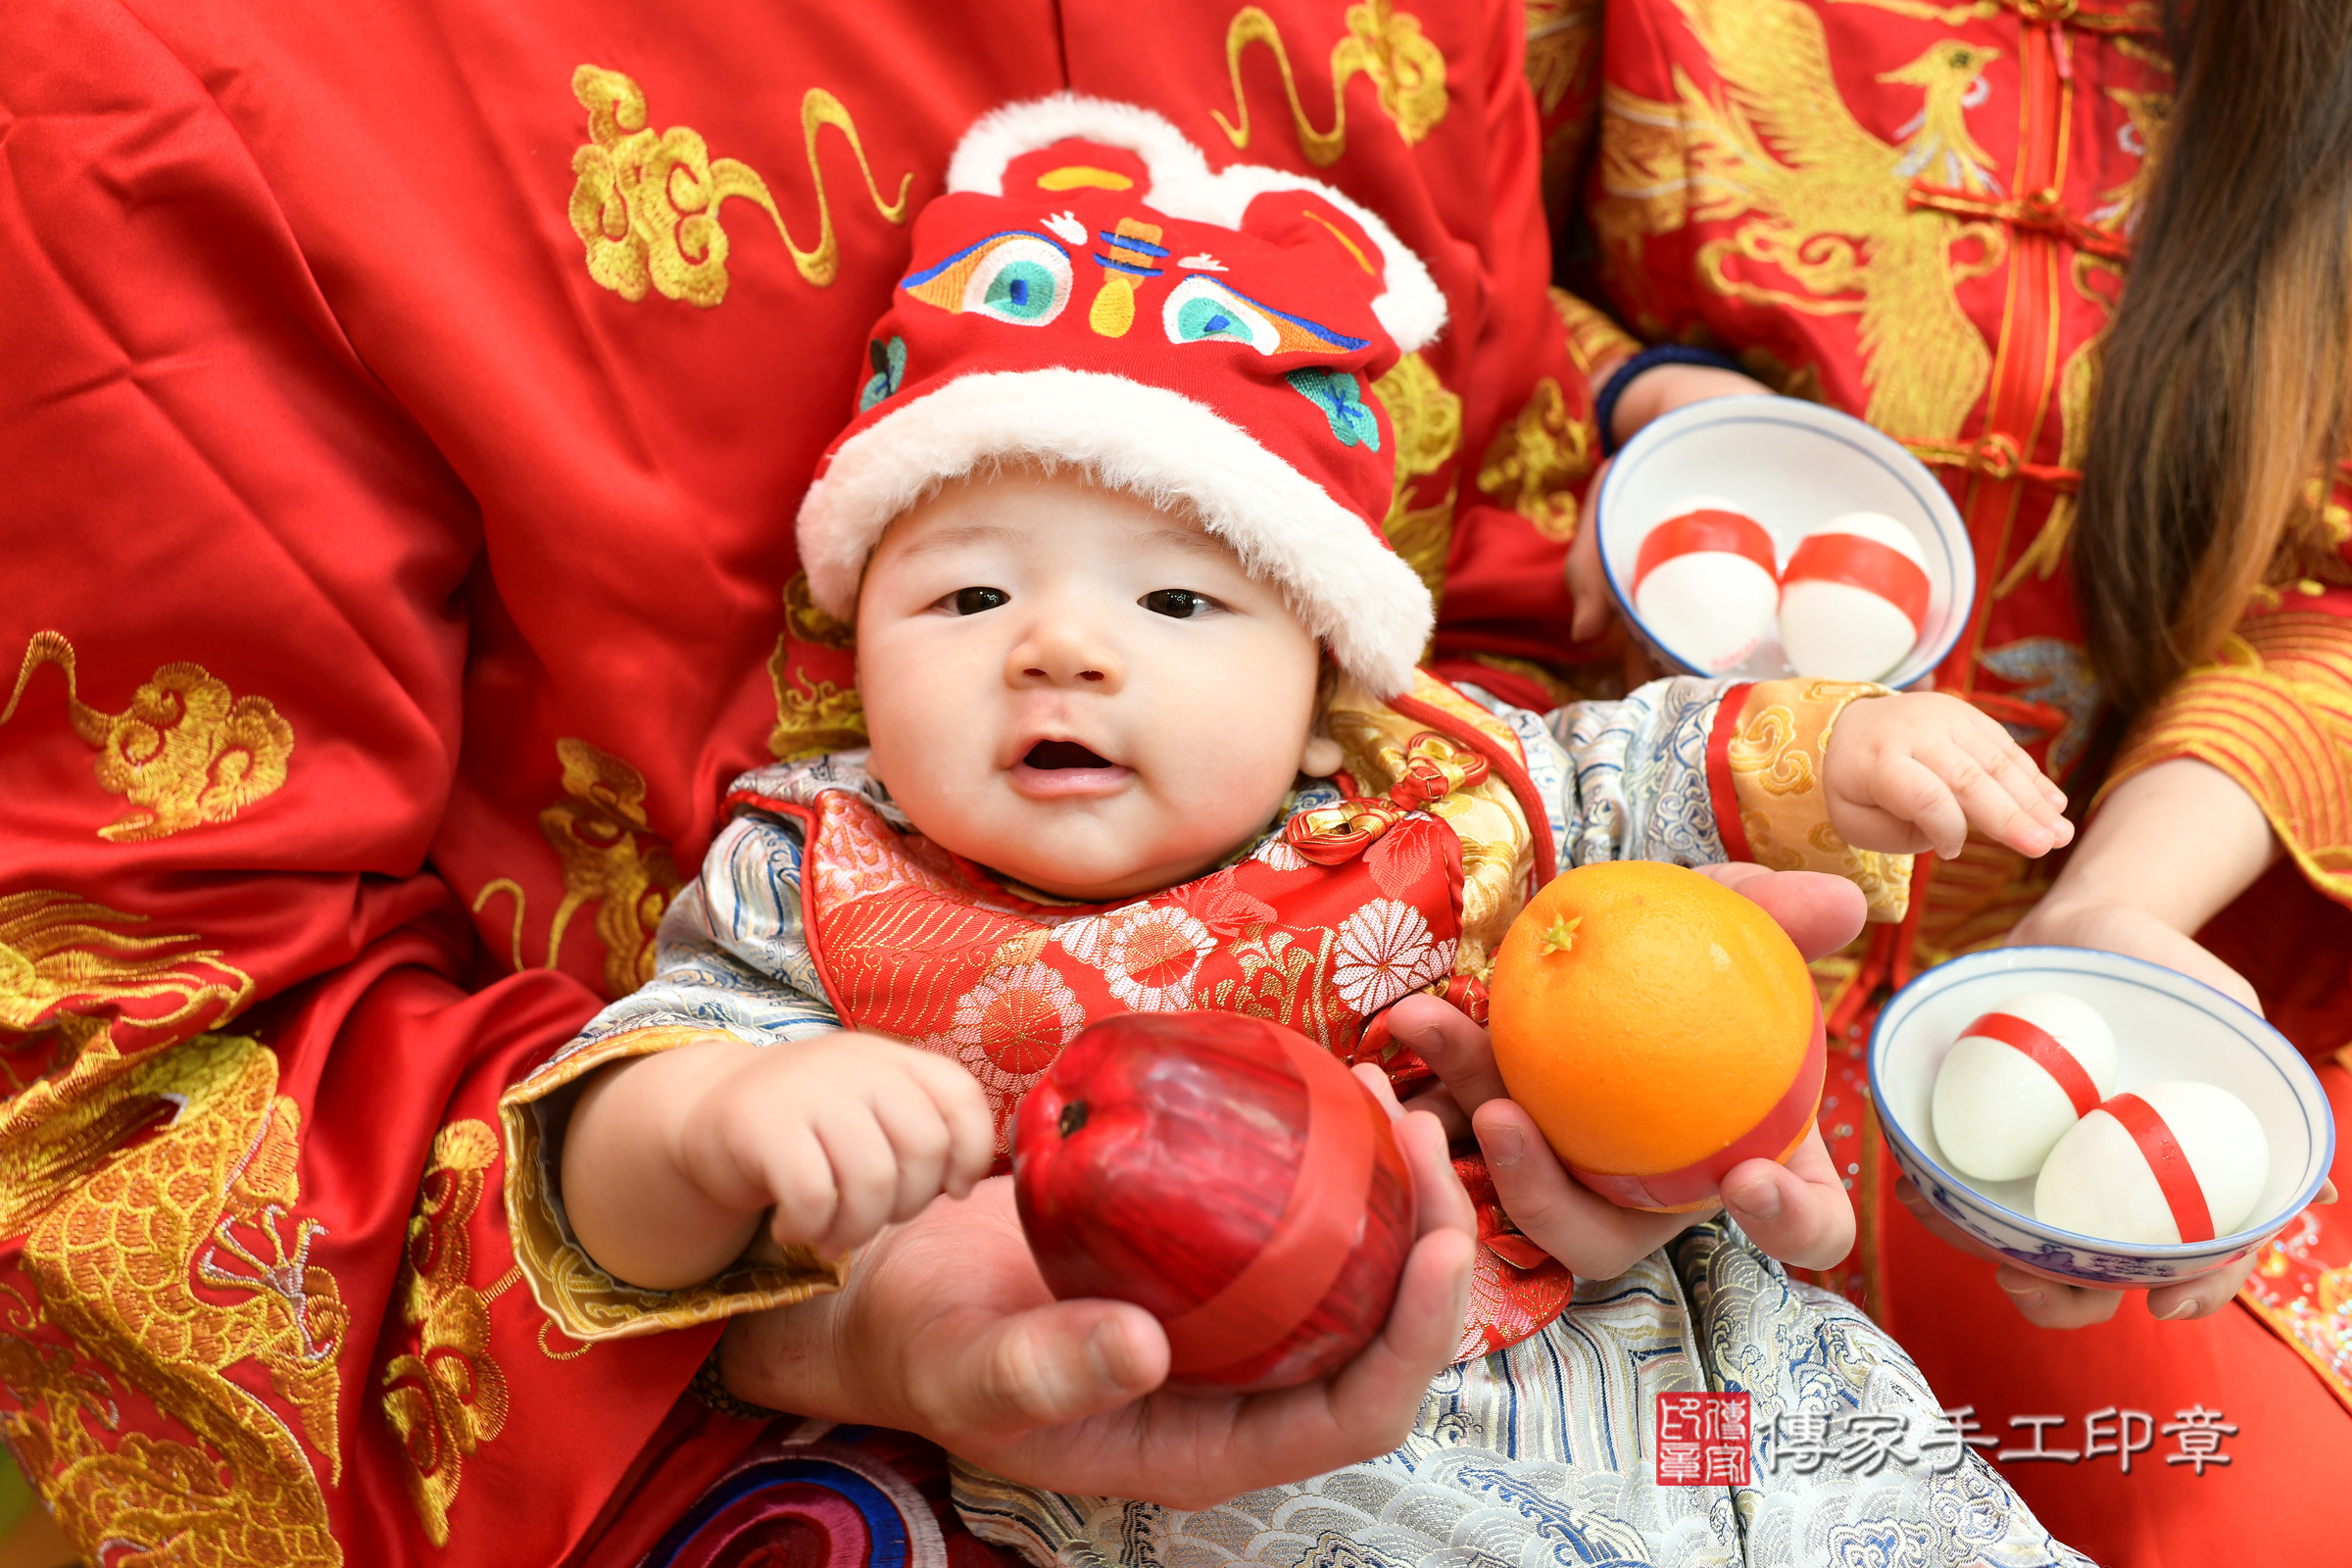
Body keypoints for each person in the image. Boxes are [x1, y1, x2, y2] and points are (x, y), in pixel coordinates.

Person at [516, 101, 2092, 1566]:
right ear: (849, 643)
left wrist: (1846, 741)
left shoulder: (1426, 783)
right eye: (971, 594)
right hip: (1290, 1443)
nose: (1060, 649)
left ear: (1325, 672)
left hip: (1705, 1340)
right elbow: (620, 1166)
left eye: (1182, 600)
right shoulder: (823, 881)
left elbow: (1637, 765)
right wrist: (718, 1124)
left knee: (1924, 1508)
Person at [1432, 1, 2352, 1560]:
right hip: (1624, 929)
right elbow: (1455, 251)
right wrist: (1650, 406)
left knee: (2244, 1515)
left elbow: (2325, 592)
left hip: (2074, 981)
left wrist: (2116, 899)